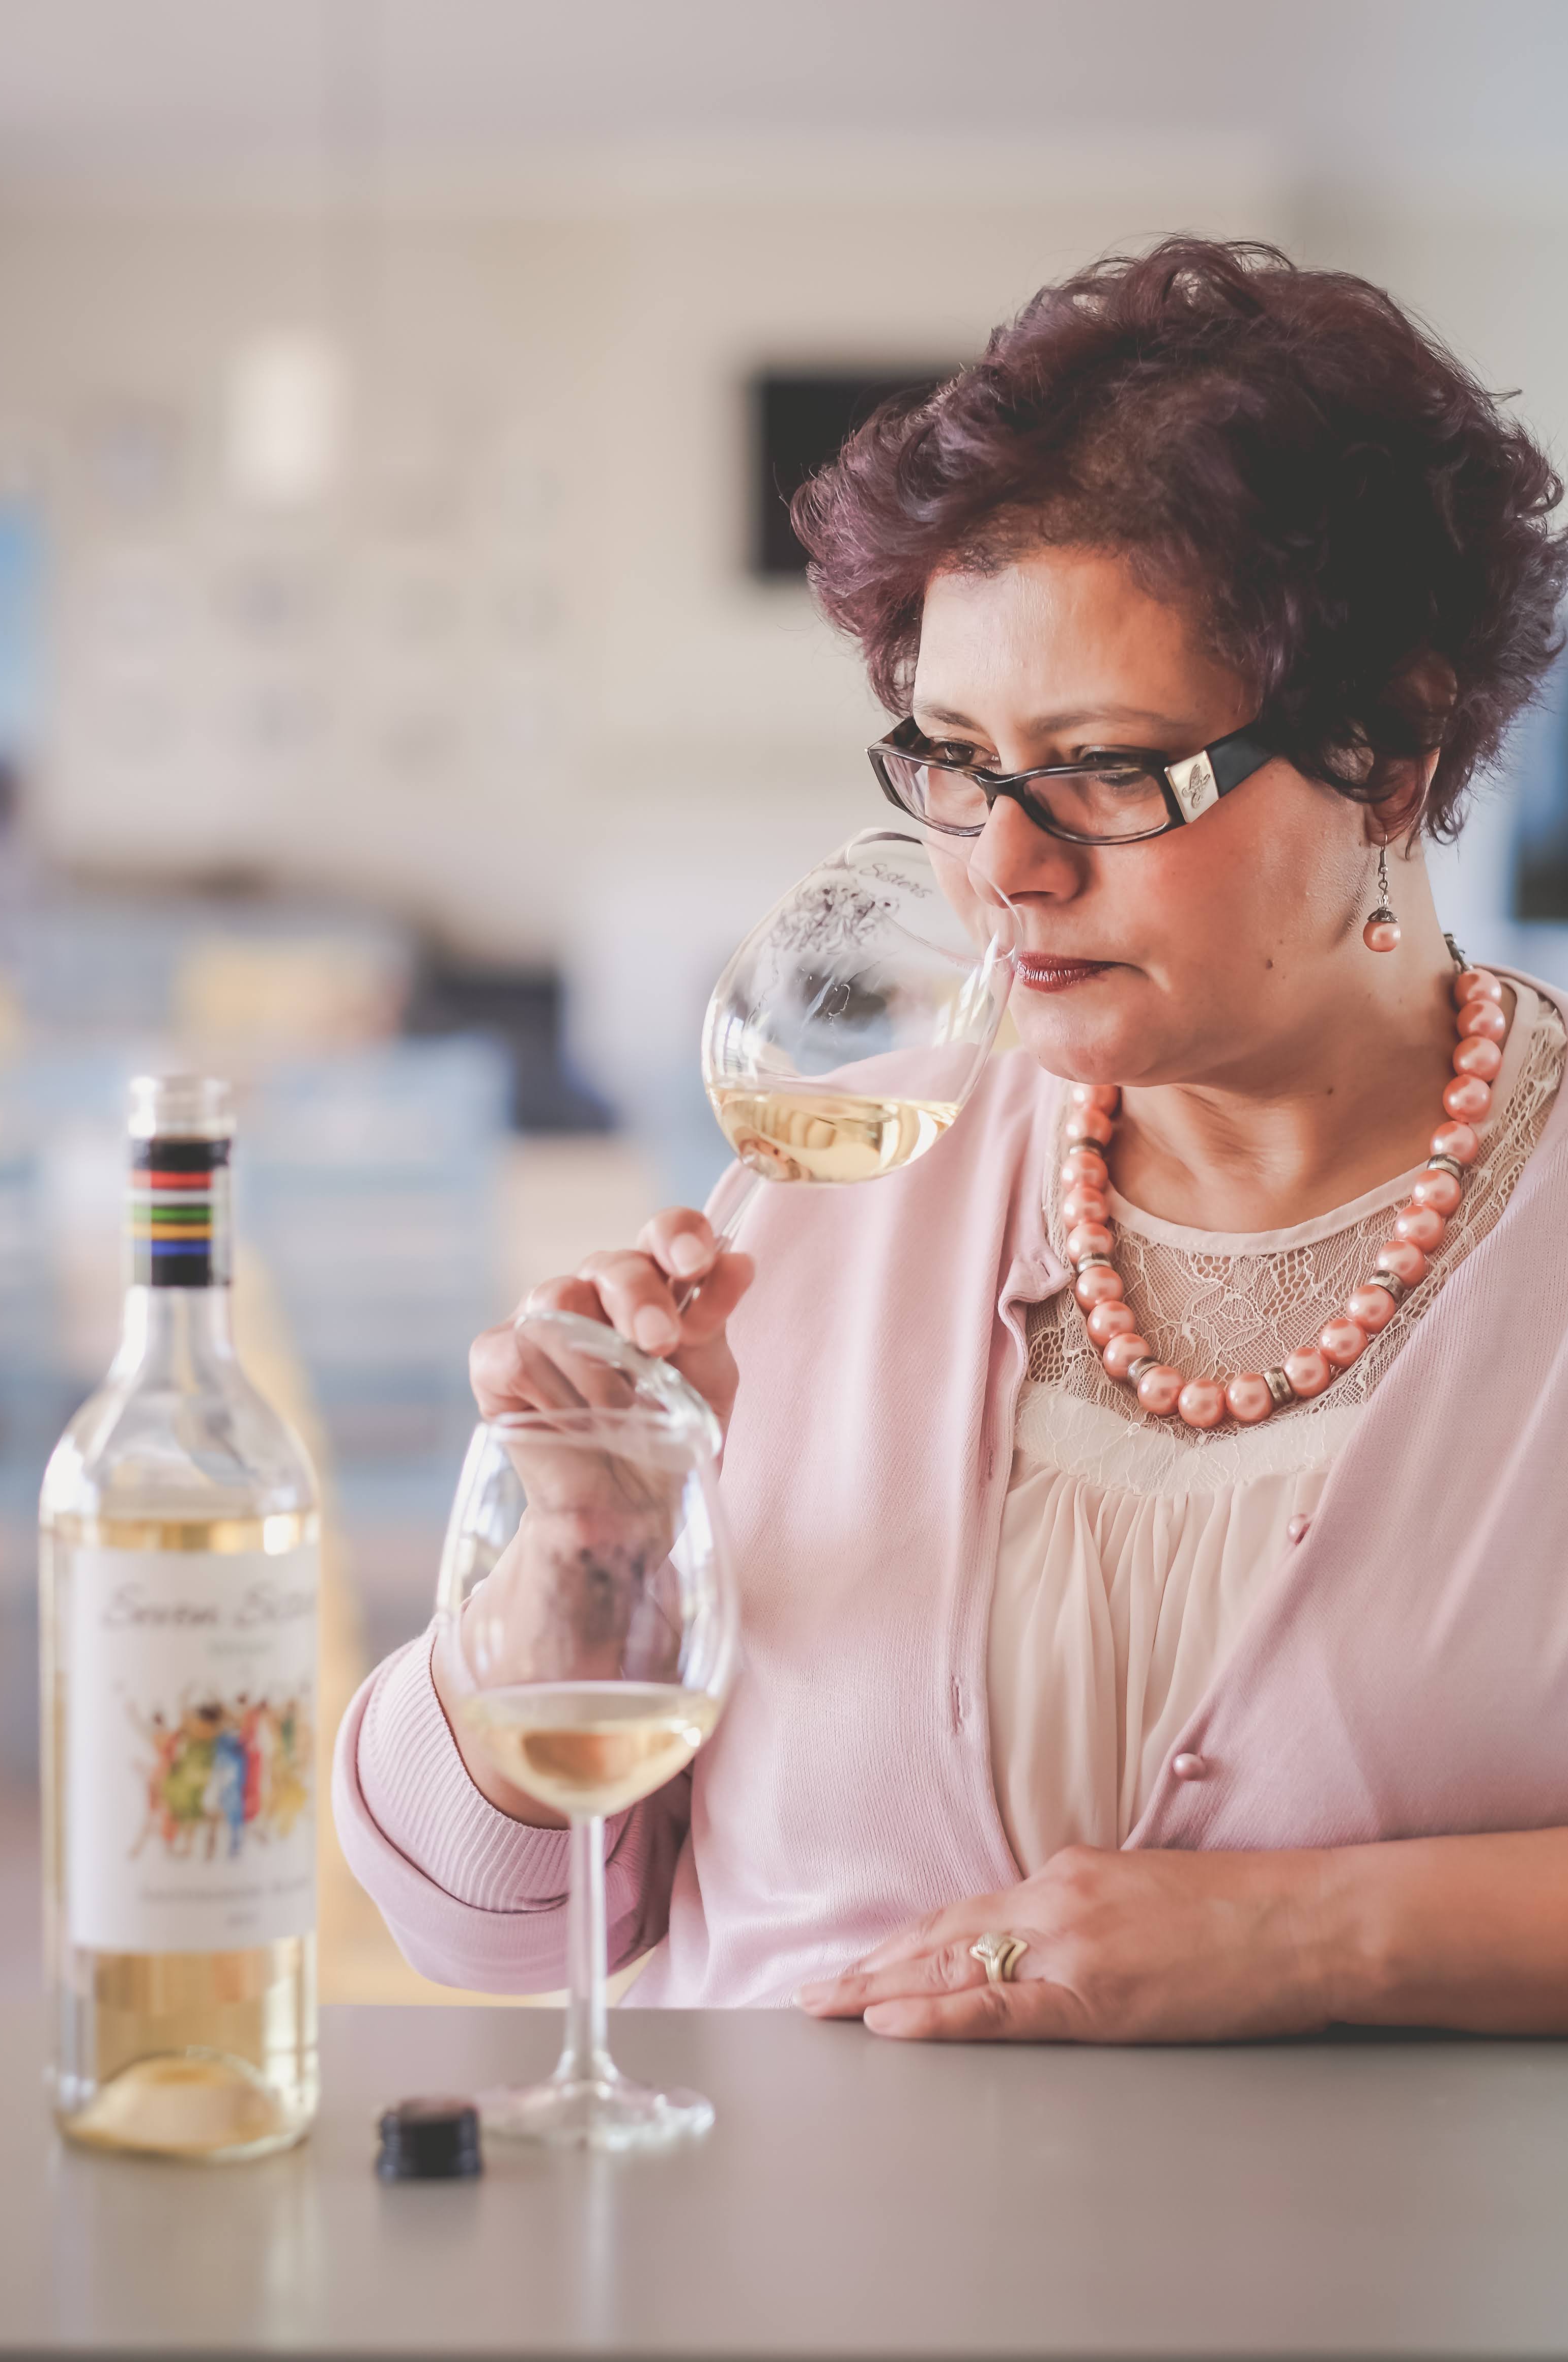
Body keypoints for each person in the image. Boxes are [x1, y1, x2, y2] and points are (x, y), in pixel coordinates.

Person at [335, 238, 1568, 2041]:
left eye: (1106, 768)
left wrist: (1316, 1934)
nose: (1002, 863)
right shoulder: (836, 1192)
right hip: (776, 2228)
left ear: (1386, 751)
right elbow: (488, 1931)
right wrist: (593, 1552)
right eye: (954, 760)